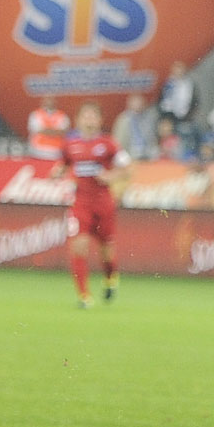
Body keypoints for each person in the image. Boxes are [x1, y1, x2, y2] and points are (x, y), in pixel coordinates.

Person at [51, 102, 132, 307]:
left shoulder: (109, 144)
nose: (89, 120)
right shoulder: (70, 145)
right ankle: (84, 296)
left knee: (106, 249)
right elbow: (64, 164)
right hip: (80, 203)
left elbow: (127, 170)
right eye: (85, 116)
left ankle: (110, 278)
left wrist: (110, 176)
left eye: (92, 116)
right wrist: (58, 171)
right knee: (79, 246)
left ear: (99, 120)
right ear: (78, 120)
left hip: (103, 203)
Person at [26, 96, 70, 160]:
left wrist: (45, 130)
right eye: (47, 99)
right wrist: (54, 132)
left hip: (57, 153)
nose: (49, 102)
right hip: (37, 152)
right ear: (42, 101)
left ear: (55, 101)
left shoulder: (63, 116)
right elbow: (36, 130)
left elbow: (63, 132)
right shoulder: (35, 114)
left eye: (51, 99)